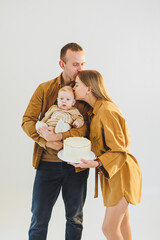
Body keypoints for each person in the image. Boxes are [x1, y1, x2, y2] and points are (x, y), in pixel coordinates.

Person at [21, 43, 91, 240]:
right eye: (76, 64)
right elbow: (27, 121)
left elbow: (86, 128)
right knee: (39, 219)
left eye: (83, 63)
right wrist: (46, 142)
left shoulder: (85, 92)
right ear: (62, 64)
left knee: (75, 219)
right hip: (47, 165)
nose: (81, 69)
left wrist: (59, 137)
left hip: (77, 166)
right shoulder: (44, 89)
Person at [70, 70, 142, 240]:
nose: (73, 88)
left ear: (89, 88)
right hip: (113, 174)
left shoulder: (106, 110)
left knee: (108, 229)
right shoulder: (96, 110)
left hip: (122, 174)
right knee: (122, 224)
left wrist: (95, 163)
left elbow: (119, 149)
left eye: (77, 84)